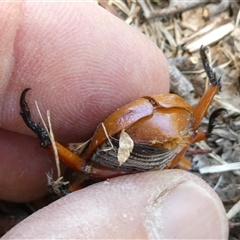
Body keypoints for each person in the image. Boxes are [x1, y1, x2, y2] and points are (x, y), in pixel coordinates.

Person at [0, 2, 228, 239]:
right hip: (164, 131)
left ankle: (213, 87)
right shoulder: (181, 151)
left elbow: (81, 170)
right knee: (185, 139)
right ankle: (212, 87)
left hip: (146, 138)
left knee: (87, 168)